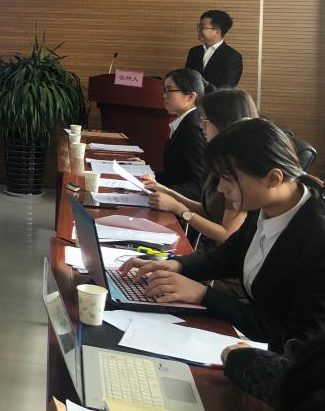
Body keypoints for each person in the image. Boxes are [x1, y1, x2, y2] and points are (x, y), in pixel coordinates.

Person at [120, 118, 325, 353]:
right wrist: (176, 265)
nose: (220, 188)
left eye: (228, 178)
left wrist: (204, 295)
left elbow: (297, 338)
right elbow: (228, 256)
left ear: (273, 179)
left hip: (279, 363)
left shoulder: (317, 238)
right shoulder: (263, 204)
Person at [143, 88, 257, 247]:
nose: (201, 125)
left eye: (207, 119)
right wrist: (169, 192)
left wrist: (180, 210)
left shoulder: (240, 168)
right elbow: (208, 211)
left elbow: (227, 235)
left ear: (225, 122)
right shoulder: (220, 159)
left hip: (217, 254)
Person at [156, 68, 207, 201]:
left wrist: (166, 192)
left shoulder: (193, 130)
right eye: (164, 90)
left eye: (169, 90)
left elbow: (199, 185)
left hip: (184, 207)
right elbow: (175, 175)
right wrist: (146, 174)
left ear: (191, 96)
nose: (164, 96)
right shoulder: (185, 123)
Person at [185, 9, 243, 87]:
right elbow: (186, 80)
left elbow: (227, 88)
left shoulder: (232, 57)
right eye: (199, 26)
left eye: (202, 27)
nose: (199, 30)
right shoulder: (194, 51)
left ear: (217, 31)